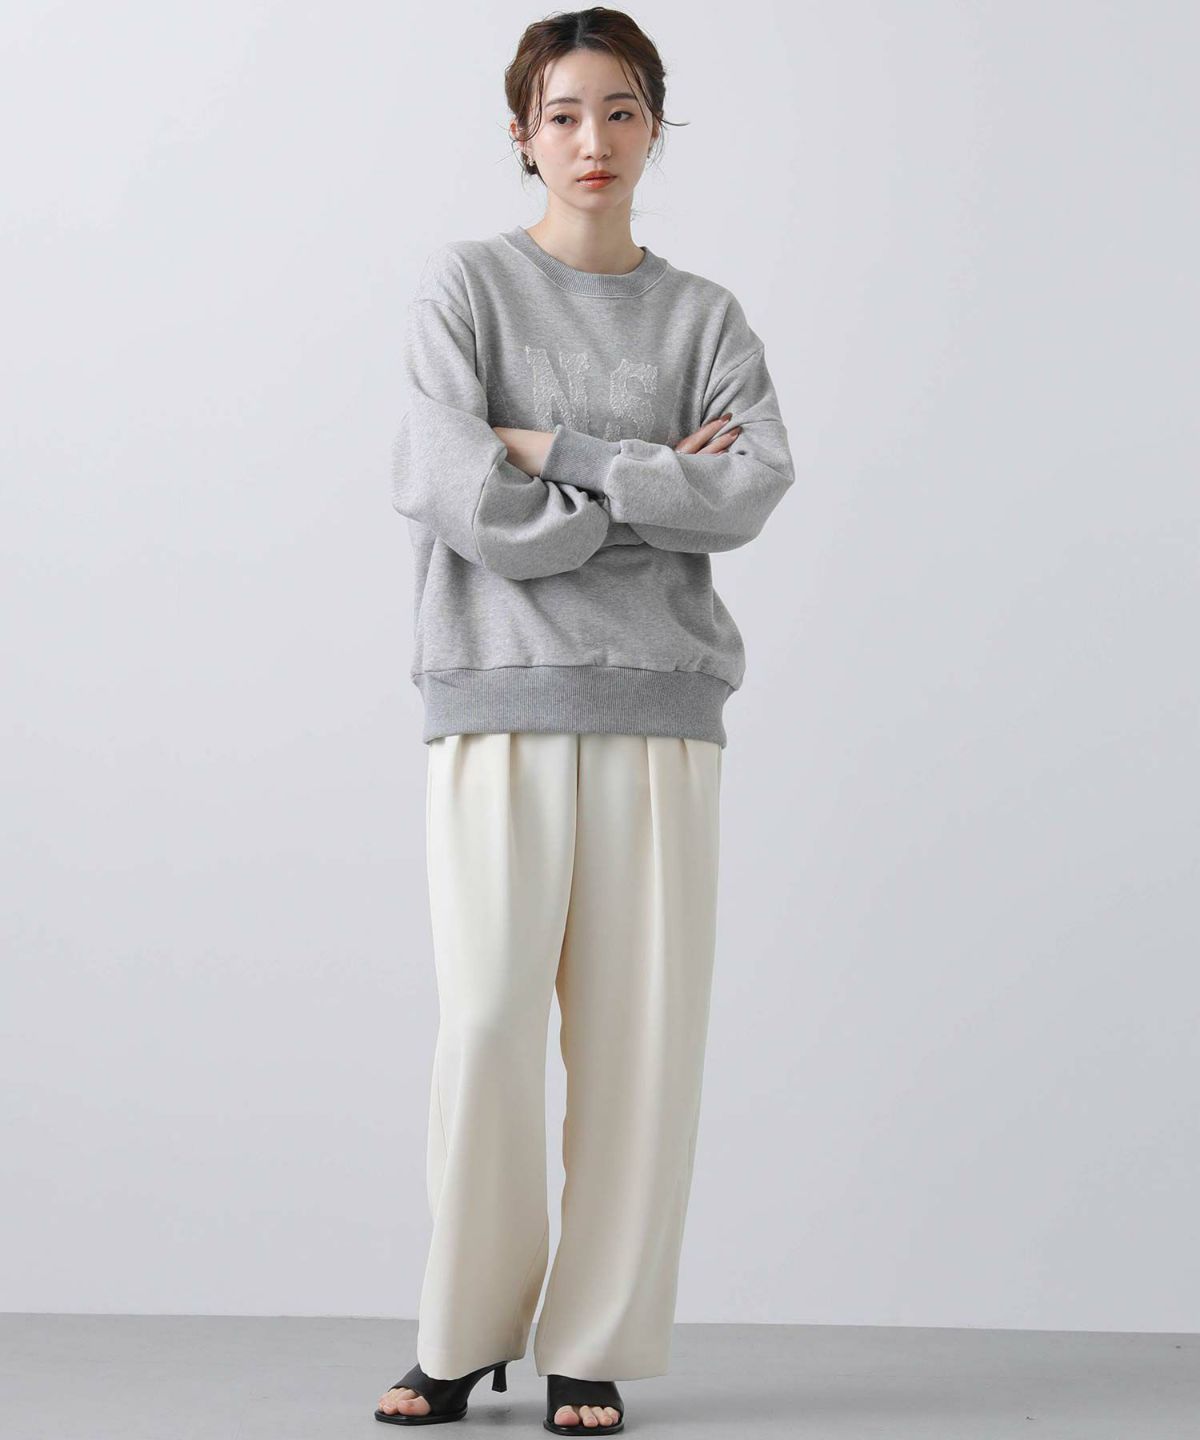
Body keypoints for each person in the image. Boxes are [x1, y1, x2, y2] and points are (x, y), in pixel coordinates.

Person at [375, 7, 795, 1432]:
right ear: (522, 133)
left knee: (640, 1043)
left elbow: (747, 490)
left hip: (662, 706)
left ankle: (592, 1344)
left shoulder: (705, 318)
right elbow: (451, 488)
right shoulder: (468, 287)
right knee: (489, 1022)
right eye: (562, 114)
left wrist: (554, 452)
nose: (592, 140)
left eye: (620, 111)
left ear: (654, 127)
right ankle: (460, 1332)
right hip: (493, 692)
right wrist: (646, 484)